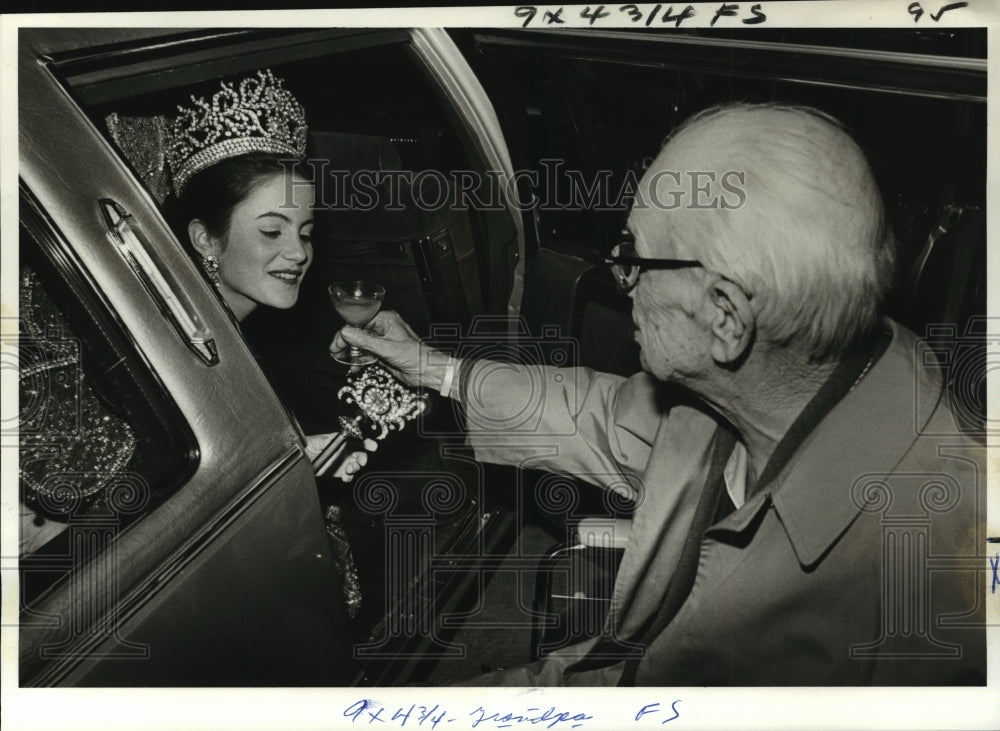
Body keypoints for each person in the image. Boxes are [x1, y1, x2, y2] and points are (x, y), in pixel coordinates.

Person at [332, 103, 986, 685]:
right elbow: (593, 415)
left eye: (635, 258)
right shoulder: (768, 385)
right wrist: (428, 366)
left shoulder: (929, 592)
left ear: (725, 317)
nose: (621, 280)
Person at [164, 69, 371, 484]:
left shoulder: (242, 337)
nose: (298, 253)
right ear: (206, 238)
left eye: (306, 233)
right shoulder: (174, 350)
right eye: (271, 231)